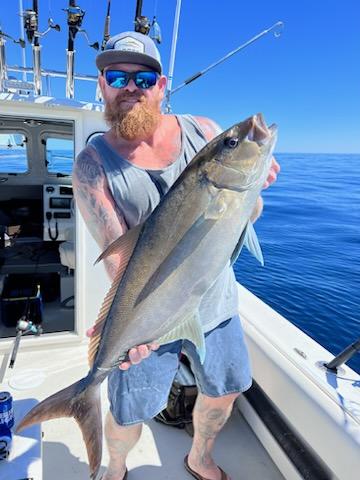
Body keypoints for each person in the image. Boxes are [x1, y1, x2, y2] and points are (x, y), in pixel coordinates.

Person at [72, 31, 280, 480]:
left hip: (217, 304)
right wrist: (134, 329)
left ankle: (199, 457)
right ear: (102, 85)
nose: (131, 86)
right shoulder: (92, 166)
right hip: (149, 316)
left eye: (143, 77)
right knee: (130, 412)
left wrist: (253, 187)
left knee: (224, 392)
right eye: (117, 76)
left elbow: (248, 218)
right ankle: (116, 468)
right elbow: (118, 259)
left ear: (161, 85)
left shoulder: (203, 131)